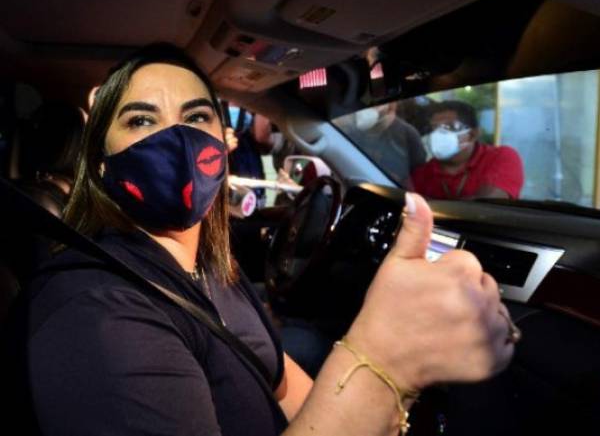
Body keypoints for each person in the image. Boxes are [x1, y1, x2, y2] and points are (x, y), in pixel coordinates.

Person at [4, 43, 516, 436]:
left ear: (222, 147)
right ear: (100, 163)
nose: (176, 139)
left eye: (197, 117)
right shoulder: (96, 311)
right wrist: (384, 362)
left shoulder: (210, 265)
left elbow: (285, 385)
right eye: (141, 119)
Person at [411, 100, 524, 200]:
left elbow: (487, 204)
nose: (437, 135)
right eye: (434, 128)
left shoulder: (501, 157)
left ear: (472, 134)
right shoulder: (422, 174)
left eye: (449, 127)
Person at [342, 102, 426, 186]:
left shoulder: (408, 134)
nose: (368, 109)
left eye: (376, 105)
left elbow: (417, 173)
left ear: (391, 105)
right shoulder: (352, 129)